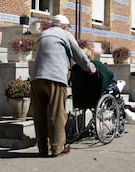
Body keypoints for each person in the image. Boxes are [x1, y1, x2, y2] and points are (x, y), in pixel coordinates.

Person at [30, 14, 96, 157]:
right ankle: (57, 148)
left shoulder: (43, 35)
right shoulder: (65, 35)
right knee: (56, 114)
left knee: (39, 114)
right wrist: (91, 68)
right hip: (55, 78)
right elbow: (79, 56)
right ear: (65, 27)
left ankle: (42, 148)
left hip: (36, 78)